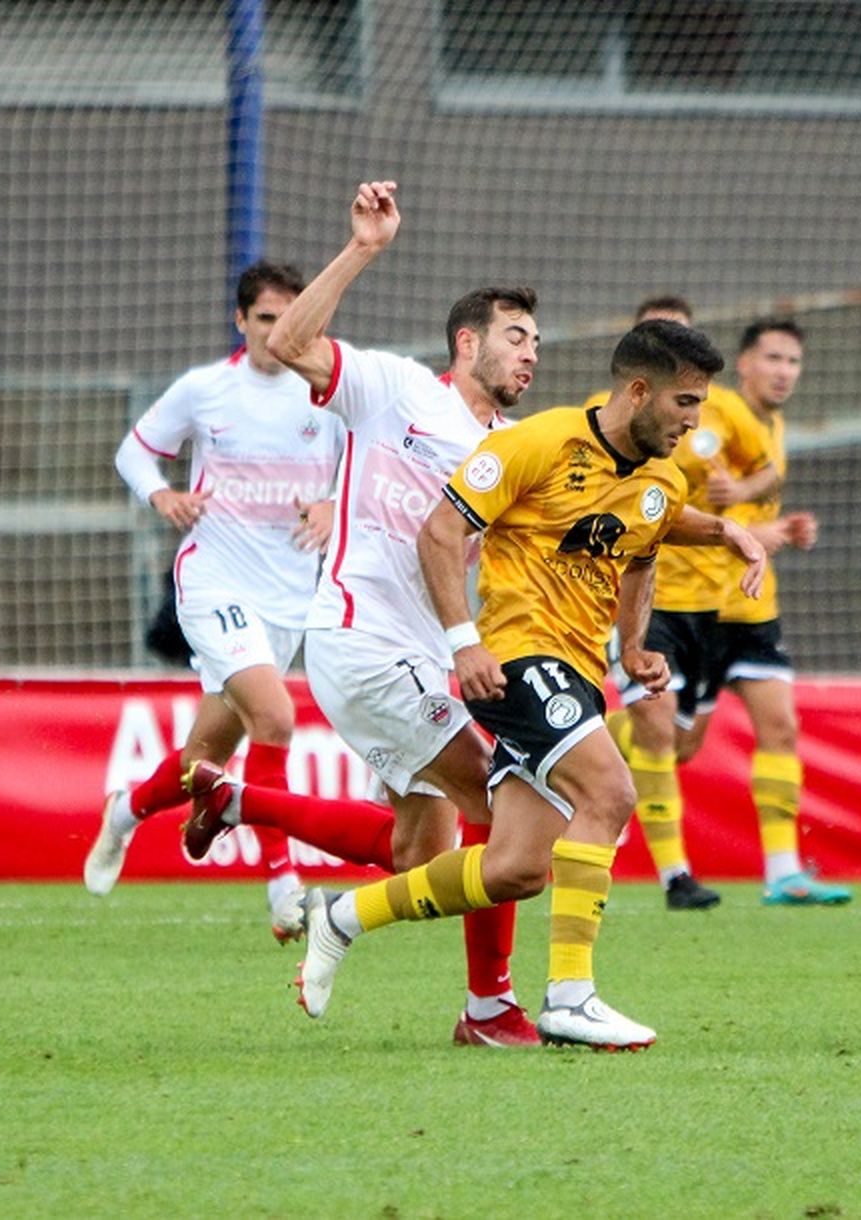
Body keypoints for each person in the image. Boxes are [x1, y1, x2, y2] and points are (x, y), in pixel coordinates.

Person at [294, 309, 766, 1050]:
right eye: (685, 403)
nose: (694, 421)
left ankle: (341, 917)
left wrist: (639, 640)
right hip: (516, 656)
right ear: (639, 392)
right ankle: (571, 996)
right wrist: (463, 644)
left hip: (579, 669)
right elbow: (441, 530)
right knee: (609, 792)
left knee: (515, 868)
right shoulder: (537, 441)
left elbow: (643, 545)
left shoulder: (660, 481)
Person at [185, 180, 547, 1048]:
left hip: (429, 659)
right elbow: (291, 339)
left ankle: (238, 802)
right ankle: (489, 1009)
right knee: (506, 809)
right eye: (515, 336)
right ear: (468, 343)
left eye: (537, 340)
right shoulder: (393, 390)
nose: (532, 353)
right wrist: (362, 250)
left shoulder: (511, 450)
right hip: (361, 640)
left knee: (415, 859)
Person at [82, 259, 344, 942]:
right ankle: (282, 879)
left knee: (204, 760)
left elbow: (368, 480)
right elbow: (134, 453)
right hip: (215, 580)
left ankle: (126, 813)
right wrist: (162, 494)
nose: (277, 333)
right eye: (265, 319)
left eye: (291, 320)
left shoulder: (332, 395)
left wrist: (331, 506)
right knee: (277, 718)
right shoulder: (207, 390)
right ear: (241, 320)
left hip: (289, 597)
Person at [591, 296, 777, 910]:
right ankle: (676, 877)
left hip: (710, 605)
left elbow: (769, 469)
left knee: (679, 740)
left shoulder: (717, 414)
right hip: (644, 599)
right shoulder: (602, 419)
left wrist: (739, 495)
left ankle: (573, 739)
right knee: (653, 720)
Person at [695, 317, 850, 905]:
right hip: (703, 607)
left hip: (755, 609)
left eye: (793, 361)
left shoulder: (774, 424)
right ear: (744, 363)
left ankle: (783, 871)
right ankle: (607, 739)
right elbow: (703, 510)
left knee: (781, 726)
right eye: (774, 359)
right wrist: (769, 528)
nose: (785, 372)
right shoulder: (721, 415)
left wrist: (780, 530)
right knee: (678, 745)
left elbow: (750, 502)